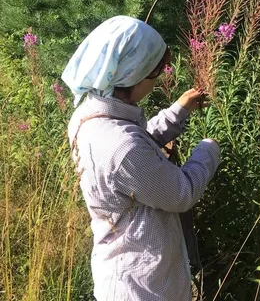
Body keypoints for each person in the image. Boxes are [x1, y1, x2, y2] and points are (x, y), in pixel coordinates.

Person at [62, 15, 221, 301]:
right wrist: (208, 149)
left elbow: (137, 148)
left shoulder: (90, 115)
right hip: (145, 288)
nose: (158, 79)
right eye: (154, 73)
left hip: (121, 273)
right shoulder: (122, 146)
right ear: (132, 73)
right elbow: (181, 192)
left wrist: (178, 112)